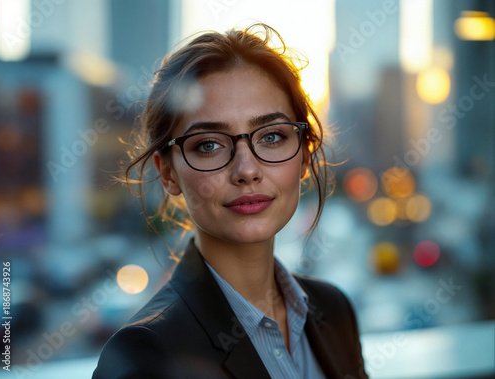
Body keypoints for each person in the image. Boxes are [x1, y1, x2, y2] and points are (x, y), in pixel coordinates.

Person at [93, 23, 368, 379]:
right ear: (168, 174)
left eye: (271, 136)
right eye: (208, 144)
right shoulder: (145, 355)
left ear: (303, 155)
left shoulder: (333, 310)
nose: (247, 170)